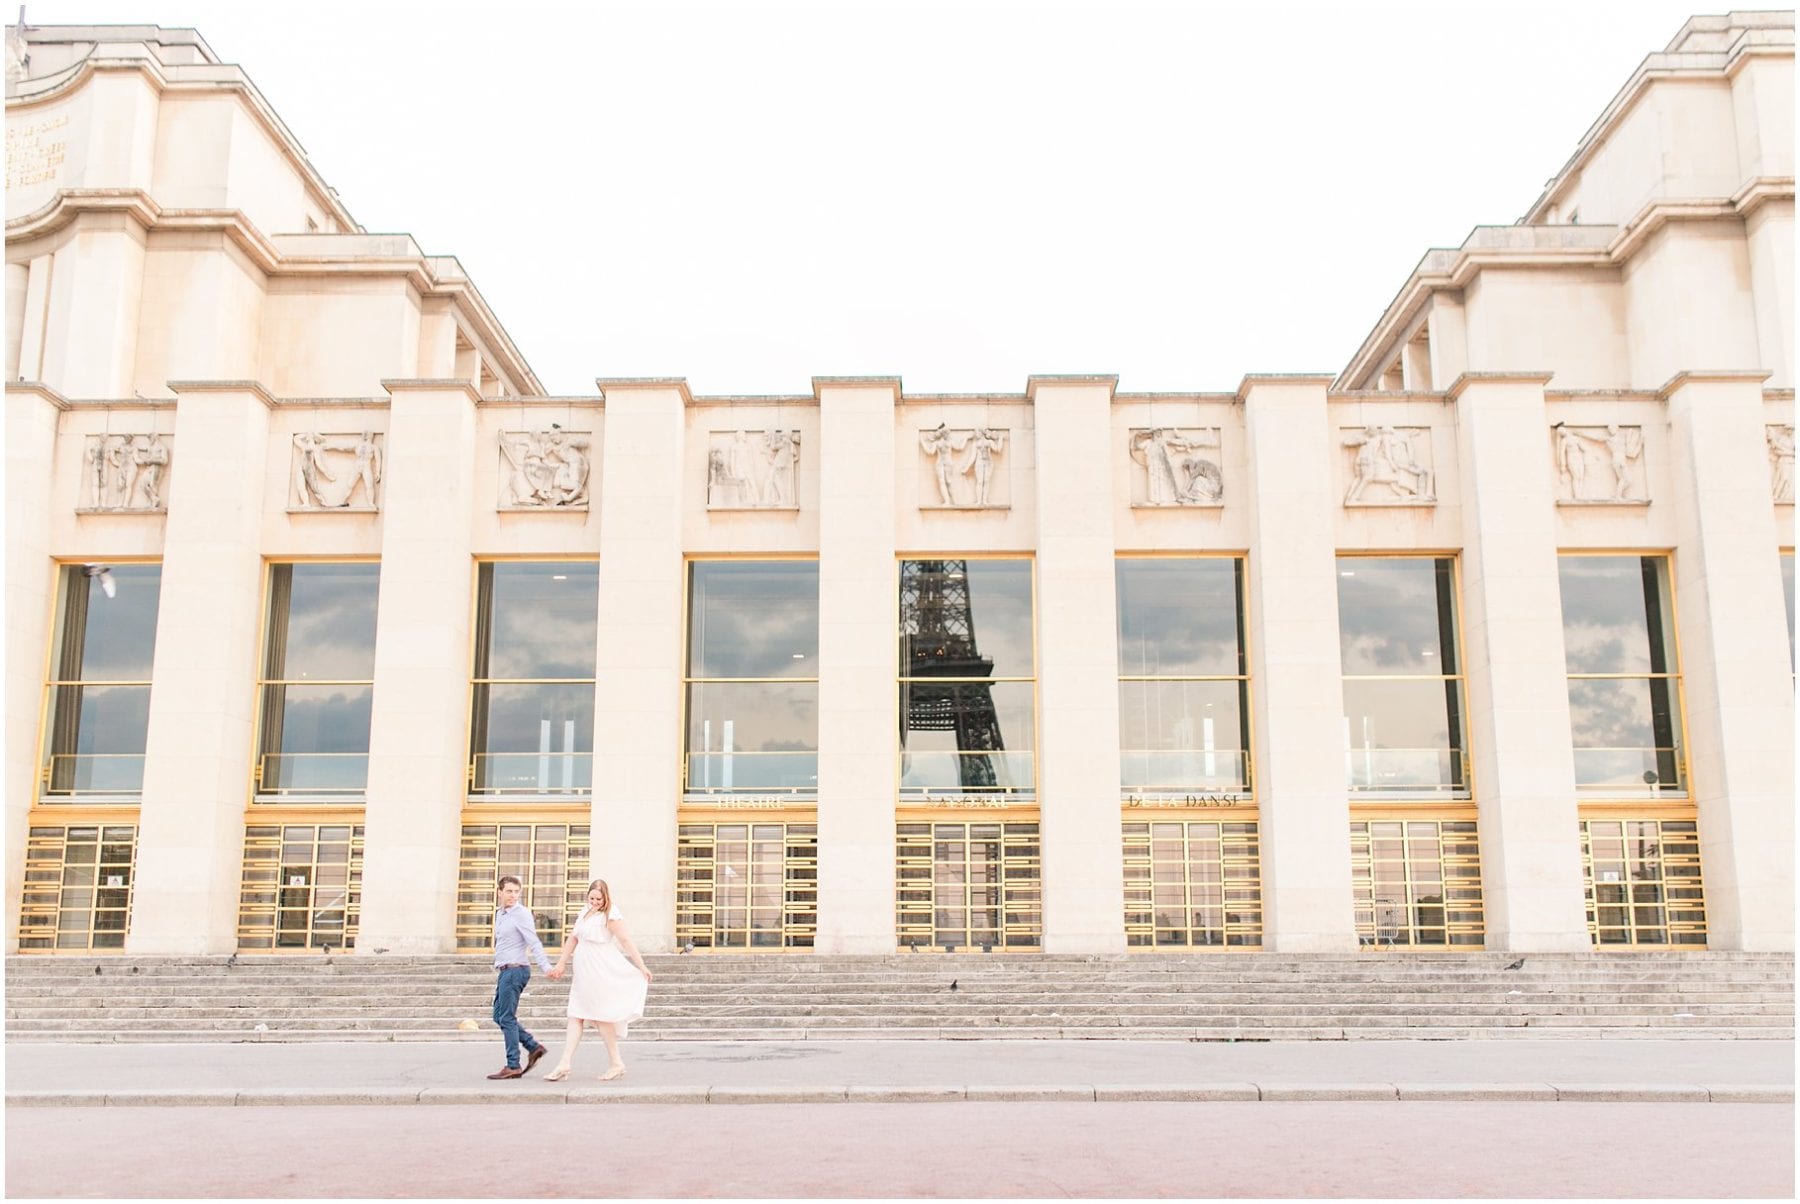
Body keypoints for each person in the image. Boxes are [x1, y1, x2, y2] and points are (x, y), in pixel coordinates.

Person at [544, 878, 652, 1081]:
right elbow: (573, 939)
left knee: (600, 1017)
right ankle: (565, 1063)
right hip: (583, 969)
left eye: (598, 899)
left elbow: (625, 940)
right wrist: (561, 963)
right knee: (576, 1014)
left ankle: (615, 1063)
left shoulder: (610, 914)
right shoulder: (584, 912)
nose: (594, 902)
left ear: (605, 897)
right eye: (591, 898)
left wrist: (641, 966)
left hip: (600, 968)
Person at [486, 874, 553, 1079]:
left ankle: (513, 1064)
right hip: (505, 970)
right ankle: (533, 1046)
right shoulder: (501, 914)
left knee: (506, 1017)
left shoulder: (522, 914)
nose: (513, 896)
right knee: (499, 1015)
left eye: (516, 892)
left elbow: (534, 942)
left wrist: (546, 967)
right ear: (499, 892)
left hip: (516, 970)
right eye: (509, 891)